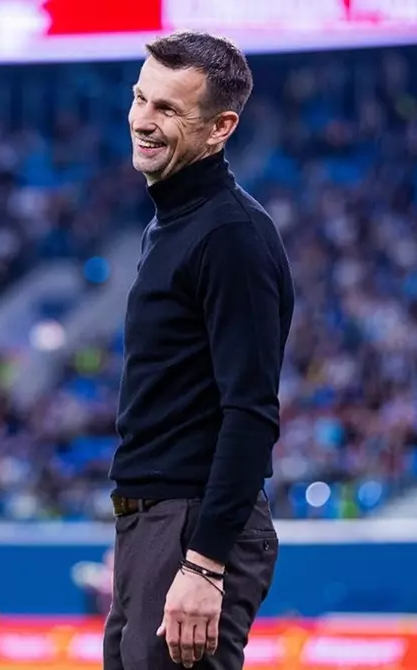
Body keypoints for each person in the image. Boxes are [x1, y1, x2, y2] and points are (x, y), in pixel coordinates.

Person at [105, 30, 295, 670]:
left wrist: (205, 563)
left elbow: (251, 413)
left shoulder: (231, 236)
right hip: (154, 527)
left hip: (190, 531)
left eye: (168, 109)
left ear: (221, 128)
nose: (143, 120)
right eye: (140, 98)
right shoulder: (171, 225)